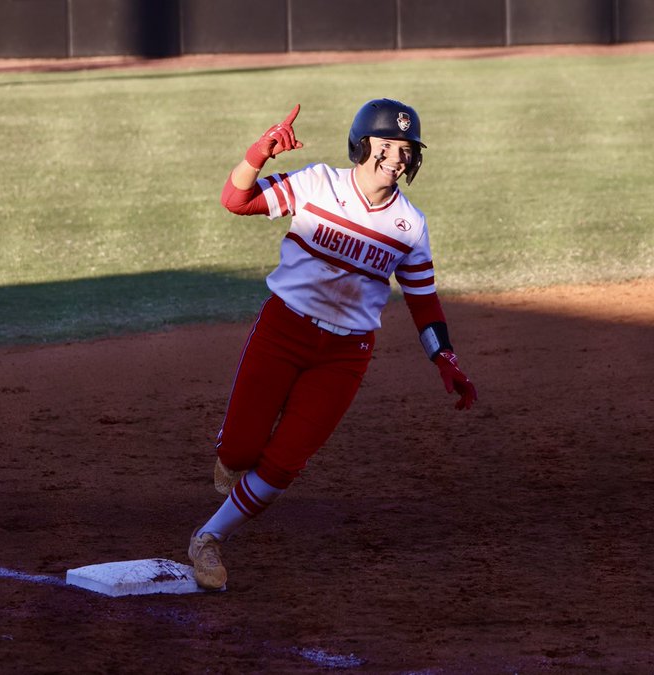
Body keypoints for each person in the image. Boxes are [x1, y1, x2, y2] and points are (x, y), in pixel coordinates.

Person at [187, 99, 478, 590]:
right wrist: (258, 154)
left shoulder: (409, 225)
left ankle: (208, 539)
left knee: (284, 463)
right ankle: (234, 458)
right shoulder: (317, 184)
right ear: (363, 145)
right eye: (388, 145)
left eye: (407, 149)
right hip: (283, 331)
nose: (397, 157)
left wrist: (443, 357)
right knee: (239, 453)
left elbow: (423, 303)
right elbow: (235, 201)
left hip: (345, 356)